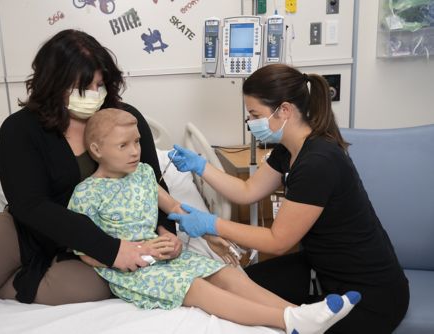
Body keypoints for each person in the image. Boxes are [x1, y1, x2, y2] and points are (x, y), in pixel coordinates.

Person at [0, 29, 182, 334]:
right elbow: (30, 205)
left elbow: (153, 182)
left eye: (100, 84)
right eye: (82, 87)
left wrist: (166, 230)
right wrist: (109, 249)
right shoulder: (20, 129)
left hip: (115, 232)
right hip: (31, 229)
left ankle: (0, 286)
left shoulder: (122, 119)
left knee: (90, 289)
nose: (95, 93)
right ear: (52, 83)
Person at [69, 107, 360, 334]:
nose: (135, 151)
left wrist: (207, 233)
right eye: (123, 146)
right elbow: (84, 251)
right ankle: (286, 320)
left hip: (165, 257)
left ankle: (300, 314)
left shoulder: (143, 174)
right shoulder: (86, 194)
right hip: (132, 270)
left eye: (136, 142)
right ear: (96, 150)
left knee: (226, 273)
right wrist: (128, 254)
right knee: (196, 288)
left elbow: (172, 206)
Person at [167, 63, 409, 334]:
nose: (250, 123)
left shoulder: (318, 162)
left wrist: (212, 224)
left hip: (369, 294)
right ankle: (296, 317)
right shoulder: (289, 150)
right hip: (322, 271)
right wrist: (201, 167)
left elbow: (278, 241)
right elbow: (247, 192)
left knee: (256, 314)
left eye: (255, 114)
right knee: (232, 287)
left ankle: (295, 320)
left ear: (284, 110)